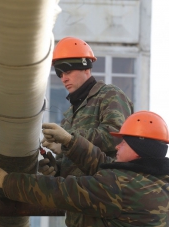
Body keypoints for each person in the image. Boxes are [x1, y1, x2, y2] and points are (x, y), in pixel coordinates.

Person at [0, 111, 169, 226]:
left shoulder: (120, 187)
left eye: (124, 143)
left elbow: (59, 191)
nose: (117, 146)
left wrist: (4, 181)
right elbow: (104, 165)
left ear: (140, 148)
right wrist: (70, 142)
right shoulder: (155, 181)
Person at [40, 36, 133, 225]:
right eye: (59, 73)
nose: (63, 78)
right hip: (77, 213)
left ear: (85, 66)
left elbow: (116, 137)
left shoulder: (109, 95)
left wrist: (68, 140)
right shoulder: (69, 115)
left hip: (106, 206)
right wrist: (56, 168)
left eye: (67, 70)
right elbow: (73, 163)